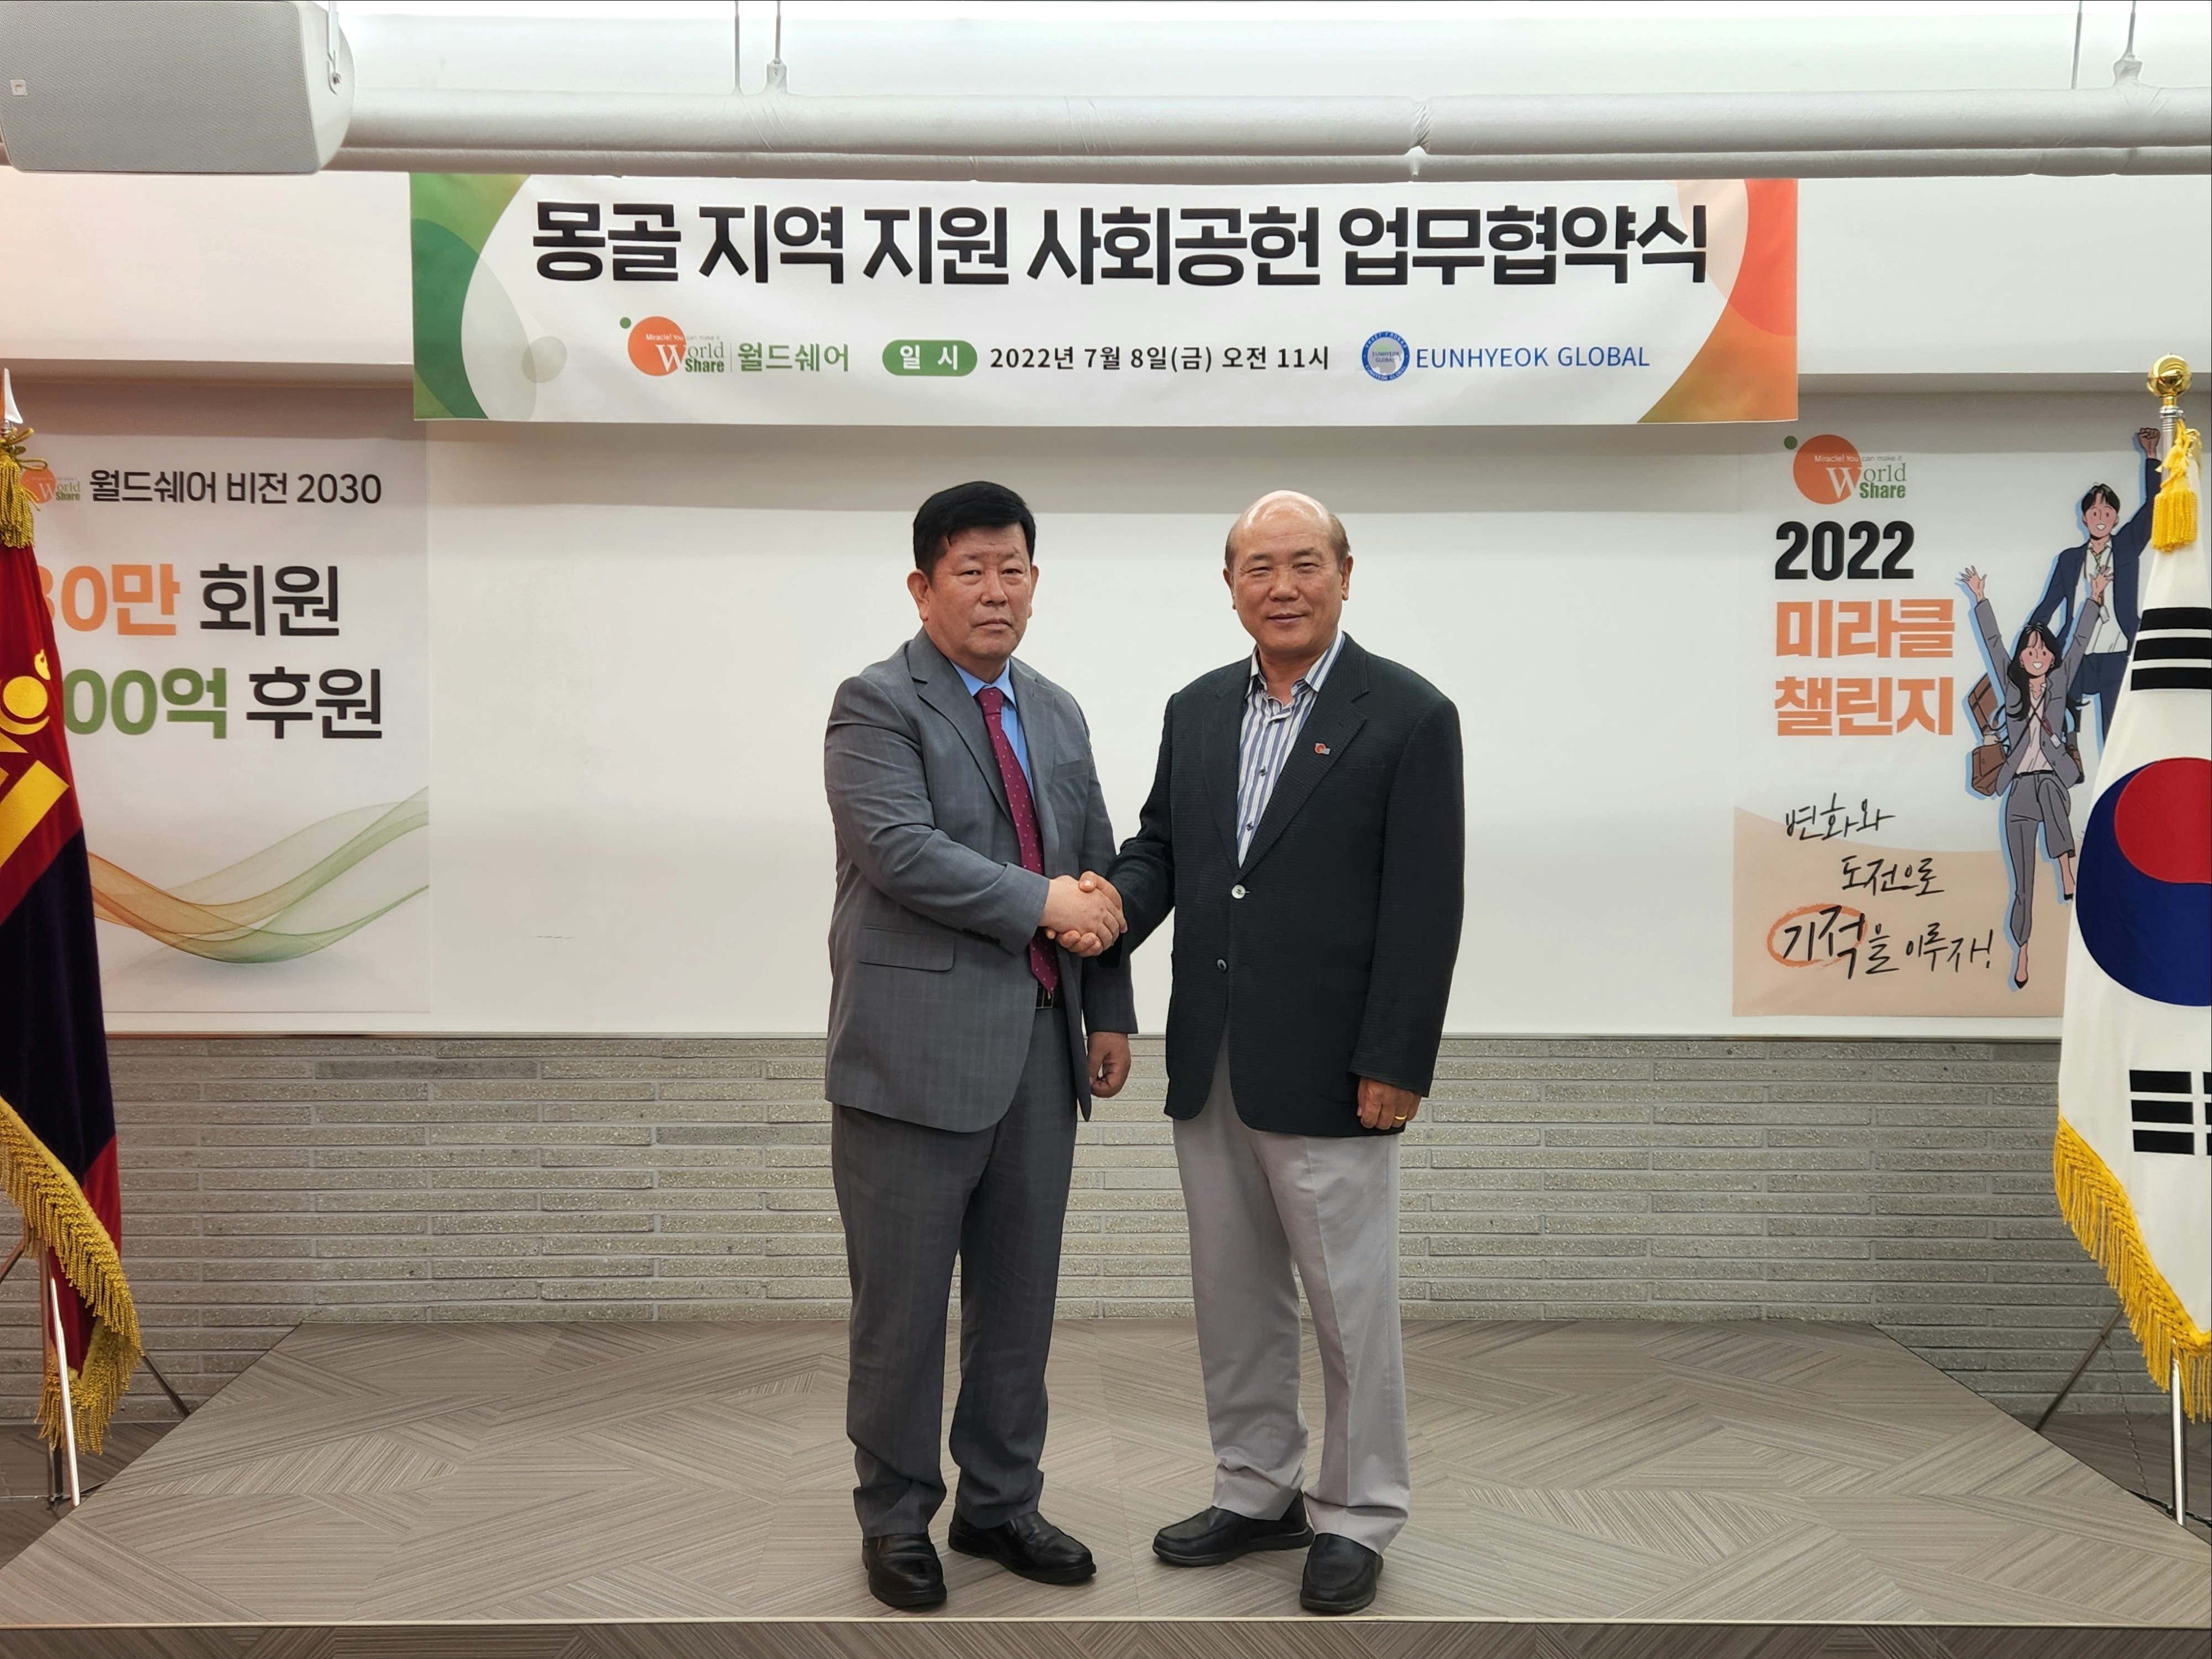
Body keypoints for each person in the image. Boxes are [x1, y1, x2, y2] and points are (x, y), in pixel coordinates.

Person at [1091, 489, 1464, 1616]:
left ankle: (1357, 1512)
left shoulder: (1409, 714)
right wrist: (1104, 910)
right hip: (1211, 1058)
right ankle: (1255, 1490)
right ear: (1230, 586)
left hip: (1336, 1067)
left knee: (1350, 1308)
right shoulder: (1198, 708)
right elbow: (1164, 849)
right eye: (1259, 568)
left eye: (1305, 563)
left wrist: (1396, 1057)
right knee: (1233, 1296)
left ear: (1345, 574)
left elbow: (1424, 904)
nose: (1283, 586)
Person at [822, 480, 1135, 1611]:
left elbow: (1094, 864)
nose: (995, 590)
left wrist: (1108, 1010)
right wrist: (1046, 904)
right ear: (923, 587)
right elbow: (901, 851)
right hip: (910, 1060)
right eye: (971, 570)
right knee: (901, 1311)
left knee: (1017, 1304)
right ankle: (896, 1515)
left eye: (1013, 570)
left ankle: (1000, 1503)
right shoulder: (874, 704)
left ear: (1035, 584)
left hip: (1042, 1057)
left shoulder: (1056, 710)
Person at [1963, 562, 2107, 989]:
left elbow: (2079, 641)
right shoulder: (2012, 692)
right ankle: (2022, 951)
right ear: (2022, 659)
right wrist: (1980, 599)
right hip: (2019, 792)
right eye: (2030, 651)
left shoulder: (2060, 684)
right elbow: (1993, 645)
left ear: (2052, 657)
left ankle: (2065, 866)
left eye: (2043, 650)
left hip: (2052, 780)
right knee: (2022, 886)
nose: (2038, 656)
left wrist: (2094, 598)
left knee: (2047, 785)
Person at [2027, 427, 2162, 742]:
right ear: (2084, 518)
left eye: (2107, 511)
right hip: (2076, 652)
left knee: (2115, 730)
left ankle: (2119, 774)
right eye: (2094, 511)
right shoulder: (2070, 559)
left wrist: (2151, 456)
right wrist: (2031, 640)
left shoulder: (2127, 547)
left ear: (2116, 518)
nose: (2101, 517)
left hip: (2117, 651)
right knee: (2062, 726)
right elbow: (2049, 605)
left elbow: (2153, 507)